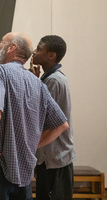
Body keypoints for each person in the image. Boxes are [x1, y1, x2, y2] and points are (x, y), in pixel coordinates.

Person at [0, 32, 70, 200]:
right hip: (24, 171)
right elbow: (62, 125)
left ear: (11, 48)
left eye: (1, 42)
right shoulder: (37, 82)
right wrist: (31, 145)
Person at [30, 35, 76, 200]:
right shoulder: (49, 78)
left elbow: (43, 117)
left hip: (55, 158)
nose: (33, 52)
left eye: (38, 49)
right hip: (51, 157)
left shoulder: (54, 81)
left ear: (51, 55)